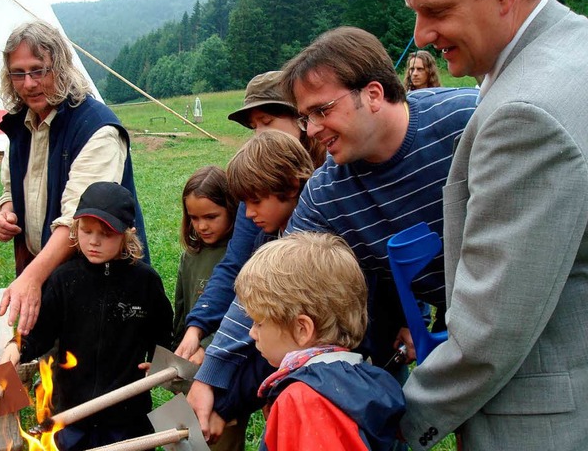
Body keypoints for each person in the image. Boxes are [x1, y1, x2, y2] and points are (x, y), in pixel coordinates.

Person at [187, 26, 479, 442]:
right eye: (305, 117)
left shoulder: (468, 120)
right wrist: (211, 376)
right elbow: (273, 281)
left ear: (374, 94)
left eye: (322, 111)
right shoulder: (326, 193)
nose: (310, 130)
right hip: (464, 336)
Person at [380, 0, 588, 449]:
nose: (420, 35)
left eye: (436, 11)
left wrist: (394, 425)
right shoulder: (571, 46)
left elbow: (490, 333)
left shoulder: (526, 115)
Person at [0, 20, 148, 336]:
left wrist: (32, 278)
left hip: (101, 282)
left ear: (60, 67)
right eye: (18, 73)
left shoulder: (97, 129)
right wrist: (6, 211)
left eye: (39, 70)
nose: (29, 83)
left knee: (101, 377)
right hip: (52, 276)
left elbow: (76, 221)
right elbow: (12, 185)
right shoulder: (21, 123)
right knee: (54, 373)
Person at [1, 182, 173, 451]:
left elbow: (162, 335)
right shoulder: (64, 279)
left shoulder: (145, 282)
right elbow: (41, 332)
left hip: (126, 417)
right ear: (75, 229)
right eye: (86, 230)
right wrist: (16, 348)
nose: (93, 241)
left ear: (129, 234)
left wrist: (161, 363)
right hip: (72, 415)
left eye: (106, 234)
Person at [174, 71, 324, 362]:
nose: (259, 134)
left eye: (267, 122)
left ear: (300, 119)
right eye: (254, 127)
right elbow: (237, 265)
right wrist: (197, 327)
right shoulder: (257, 191)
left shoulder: (328, 181)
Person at [237, 232, 405, 451]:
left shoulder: (304, 400)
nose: (252, 333)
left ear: (302, 329)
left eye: (258, 322)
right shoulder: (366, 379)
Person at [197, 130, 316, 440]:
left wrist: (224, 407)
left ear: (291, 186)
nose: (248, 214)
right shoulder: (268, 237)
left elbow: (272, 351)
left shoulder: (307, 255)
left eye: (256, 201)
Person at [171, 165, 245, 451]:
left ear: (233, 209)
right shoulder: (191, 257)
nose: (201, 226)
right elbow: (182, 316)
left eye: (211, 217)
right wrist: (169, 360)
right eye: (194, 218)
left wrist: (208, 347)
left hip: (225, 382)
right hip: (189, 376)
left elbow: (245, 317)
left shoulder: (241, 257)